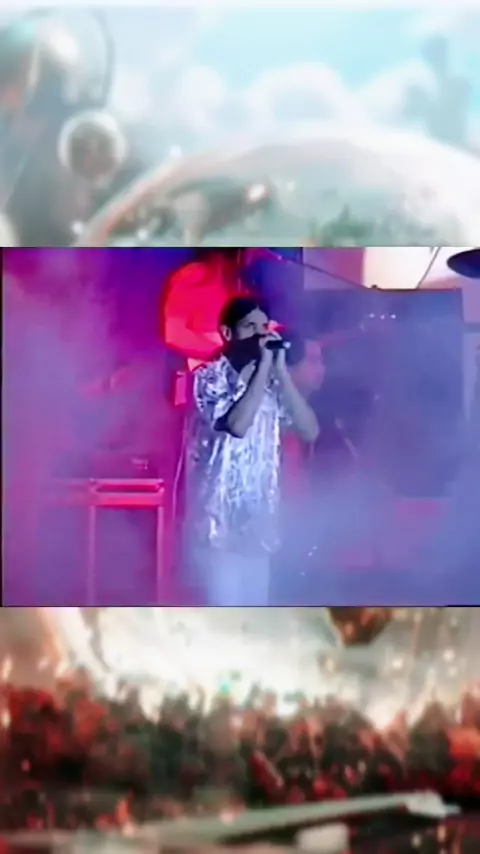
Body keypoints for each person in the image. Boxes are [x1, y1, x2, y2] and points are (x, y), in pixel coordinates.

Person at [185, 295, 319, 606]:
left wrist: (281, 373)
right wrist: (263, 371)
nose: (260, 335)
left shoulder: (272, 382)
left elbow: (309, 430)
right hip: (217, 529)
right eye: (250, 327)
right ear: (227, 333)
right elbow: (238, 425)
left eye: (264, 327)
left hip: (258, 528)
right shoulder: (208, 377)